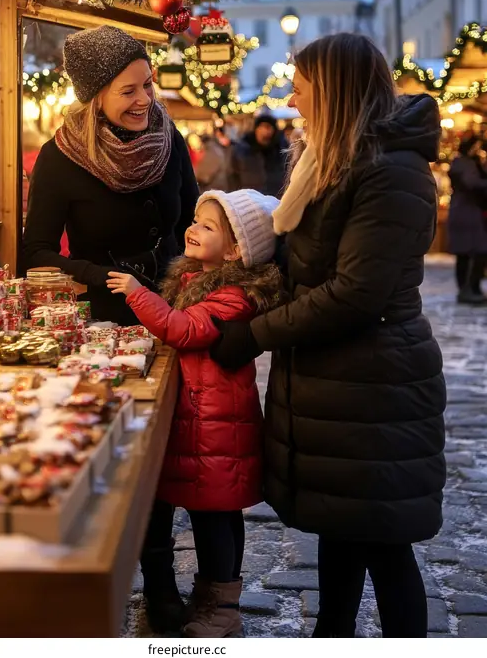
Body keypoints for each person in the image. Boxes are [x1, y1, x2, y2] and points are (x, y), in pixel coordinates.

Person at [210, 33, 446, 639]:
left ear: (334, 89)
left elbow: (354, 295)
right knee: (342, 534)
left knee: (386, 550)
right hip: (334, 384)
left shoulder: (390, 172)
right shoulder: (329, 161)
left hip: (372, 386)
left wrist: (254, 334)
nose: (294, 95)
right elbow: (306, 263)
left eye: (303, 83)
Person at [107, 189, 282, 637]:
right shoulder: (196, 280)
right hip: (202, 422)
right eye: (194, 220)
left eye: (207, 226)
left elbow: (184, 330)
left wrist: (137, 294)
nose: (192, 229)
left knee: (216, 518)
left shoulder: (234, 295)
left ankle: (222, 607)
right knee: (212, 514)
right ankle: (209, 599)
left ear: (237, 249)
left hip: (217, 427)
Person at [22, 27, 199, 324]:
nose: (144, 100)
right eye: (128, 91)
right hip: (106, 318)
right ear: (96, 98)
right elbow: (37, 252)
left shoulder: (169, 138)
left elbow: (190, 222)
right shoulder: (60, 157)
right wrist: (95, 274)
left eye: (147, 85)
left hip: (174, 307)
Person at [447, 134, 487, 304]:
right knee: (477, 252)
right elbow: (472, 184)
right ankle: (468, 289)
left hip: (461, 211)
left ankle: (466, 289)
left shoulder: (459, 163)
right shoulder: (467, 164)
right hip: (468, 213)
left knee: (464, 254)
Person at [231, 113, 287, 197]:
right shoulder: (242, 149)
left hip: (275, 199)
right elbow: (233, 175)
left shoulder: (281, 149)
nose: (265, 131)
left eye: (268, 127)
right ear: (256, 129)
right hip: (249, 200)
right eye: (263, 126)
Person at [196, 125, 233, 192]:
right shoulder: (220, 149)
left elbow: (203, 176)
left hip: (213, 190)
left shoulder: (214, 150)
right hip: (219, 189)